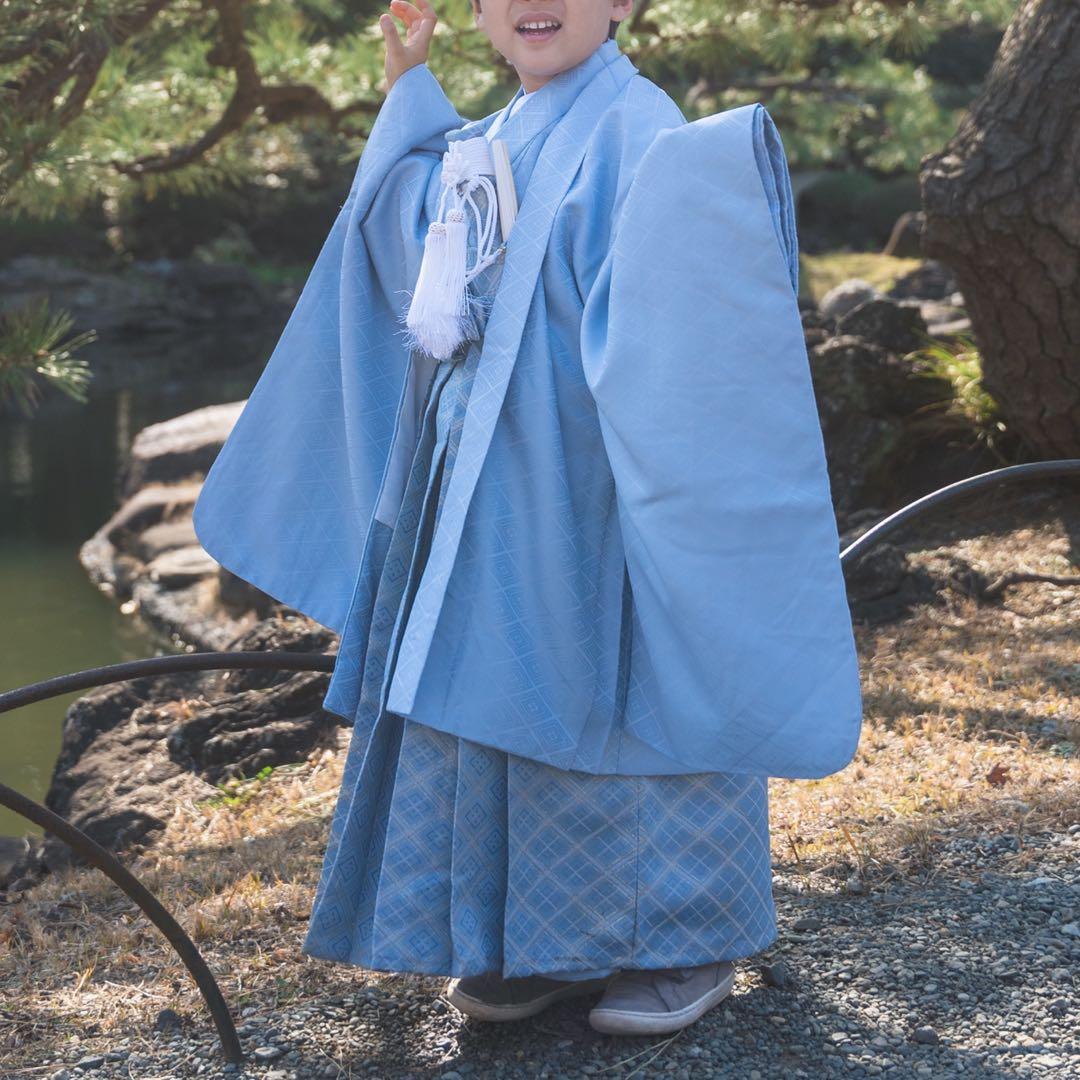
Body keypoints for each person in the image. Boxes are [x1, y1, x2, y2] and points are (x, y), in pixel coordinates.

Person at [192, 0, 864, 1038]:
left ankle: (681, 938)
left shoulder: (643, 128)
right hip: (478, 479)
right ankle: (529, 939)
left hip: (597, 477)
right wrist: (407, 92)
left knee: (625, 687)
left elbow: (686, 316)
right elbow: (411, 239)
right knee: (489, 688)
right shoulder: (490, 135)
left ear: (622, 3)